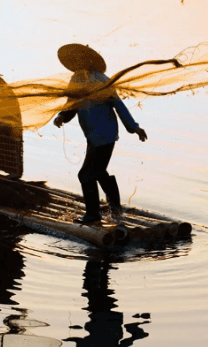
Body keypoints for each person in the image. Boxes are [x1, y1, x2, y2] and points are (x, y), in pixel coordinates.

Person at [53, 44, 148, 225]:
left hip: (106, 135)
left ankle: (93, 215)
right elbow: (71, 107)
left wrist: (134, 127)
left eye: (82, 61)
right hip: (92, 136)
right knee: (98, 171)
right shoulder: (75, 81)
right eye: (76, 62)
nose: (78, 64)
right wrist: (62, 117)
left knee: (86, 175)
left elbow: (118, 105)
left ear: (89, 63)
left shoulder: (101, 80)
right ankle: (115, 210)